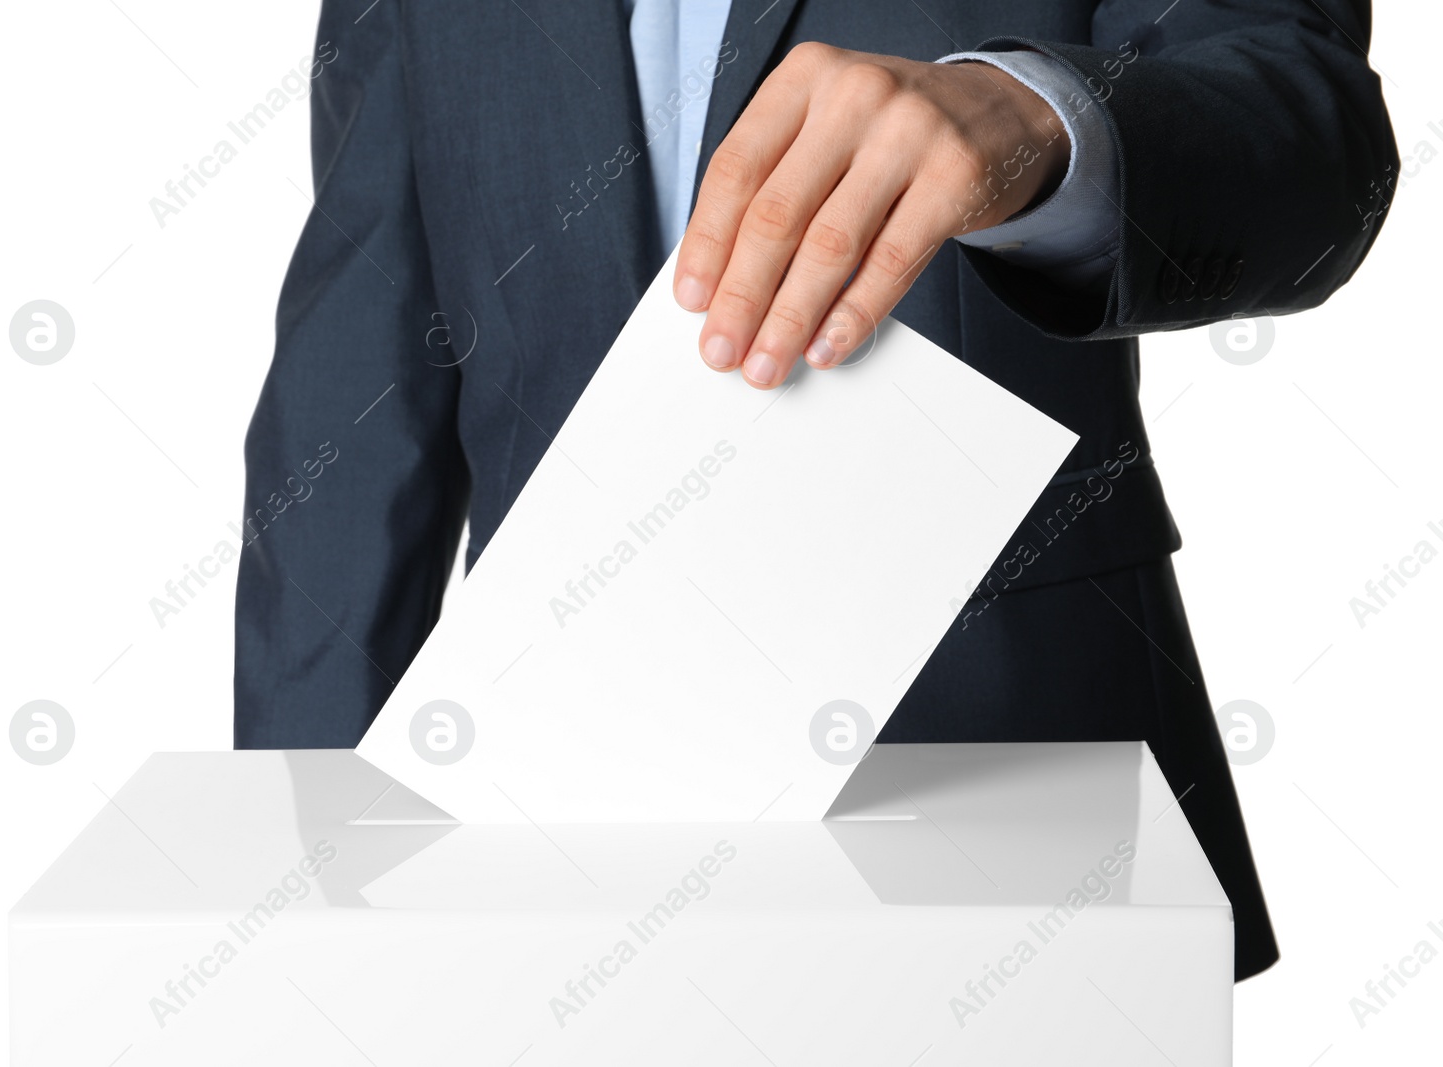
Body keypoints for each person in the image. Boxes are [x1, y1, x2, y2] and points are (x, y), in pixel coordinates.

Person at [235, 0, 1398, 982]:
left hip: (1011, 792)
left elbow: (1309, 124)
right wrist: (301, 874)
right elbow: (357, 372)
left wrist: (1042, 118)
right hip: (549, 798)